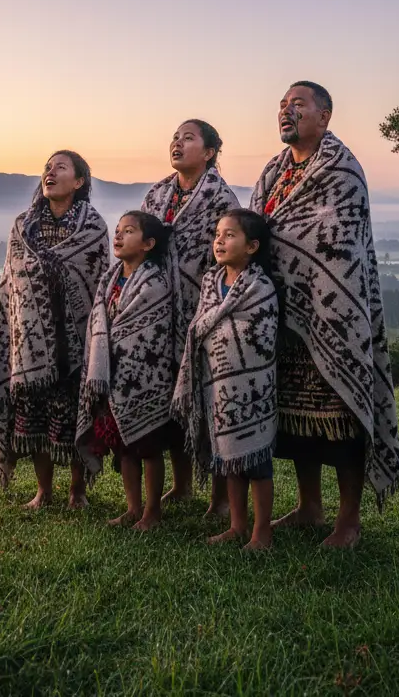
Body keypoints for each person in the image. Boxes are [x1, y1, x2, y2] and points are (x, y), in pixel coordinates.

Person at [250, 82, 399, 548]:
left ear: (325, 116)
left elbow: (336, 239)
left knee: (341, 412)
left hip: (332, 315)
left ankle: (349, 522)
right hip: (281, 318)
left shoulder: (342, 169)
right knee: (294, 418)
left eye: (297, 104)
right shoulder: (273, 172)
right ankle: (309, 507)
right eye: (281, 105)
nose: (286, 111)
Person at [0, 150, 109, 510]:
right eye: (47, 168)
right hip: (28, 345)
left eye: (60, 168)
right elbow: (11, 284)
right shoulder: (22, 226)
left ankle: (77, 492)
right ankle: (43, 491)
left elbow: (101, 286)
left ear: (79, 182)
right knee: (32, 417)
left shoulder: (94, 228)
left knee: (77, 413)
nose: (50, 173)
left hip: (78, 344)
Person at [141, 120, 239, 513]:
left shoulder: (222, 197)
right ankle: (181, 486)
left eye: (188, 138)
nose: (177, 143)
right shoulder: (157, 194)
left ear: (210, 151)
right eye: (175, 138)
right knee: (172, 401)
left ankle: (218, 498)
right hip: (160, 314)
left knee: (207, 400)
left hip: (205, 310)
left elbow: (230, 253)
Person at [172, 209, 279, 550]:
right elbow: (202, 322)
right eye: (217, 234)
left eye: (230, 235)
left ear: (252, 246)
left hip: (251, 388)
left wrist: (220, 332)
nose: (220, 240)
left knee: (257, 463)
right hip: (217, 385)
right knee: (228, 459)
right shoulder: (210, 282)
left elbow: (260, 334)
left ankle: (262, 531)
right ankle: (236, 525)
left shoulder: (260, 287)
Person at [76, 211, 176, 531]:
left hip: (145, 379)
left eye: (128, 231)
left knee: (147, 448)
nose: (118, 237)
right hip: (112, 375)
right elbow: (100, 321)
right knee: (124, 449)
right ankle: (133, 508)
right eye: (117, 231)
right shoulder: (112, 277)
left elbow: (148, 331)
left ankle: (152, 513)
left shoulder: (155, 281)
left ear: (148, 243)